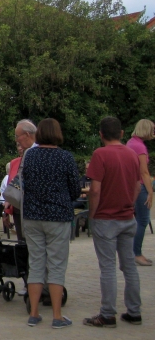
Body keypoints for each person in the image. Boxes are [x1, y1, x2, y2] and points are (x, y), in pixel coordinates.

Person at [21, 119, 81, 328]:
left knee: (36, 264)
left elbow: (23, 183)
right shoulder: (65, 157)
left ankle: (34, 313)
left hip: (33, 215)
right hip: (58, 216)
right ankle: (57, 315)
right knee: (56, 265)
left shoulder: (30, 157)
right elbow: (75, 188)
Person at [83, 117, 142, 328]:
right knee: (129, 267)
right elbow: (137, 185)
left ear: (101, 135)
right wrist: (129, 205)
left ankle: (108, 313)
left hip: (106, 218)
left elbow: (96, 190)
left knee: (107, 268)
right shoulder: (132, 155)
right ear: (122, 133)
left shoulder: (100, 155)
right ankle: (134, 311)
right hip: (127, 217)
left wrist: (93, 214)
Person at [4, 120, 38, 241]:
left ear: (27, 135)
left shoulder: (36, 153)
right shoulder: (16, 161)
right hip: (19, 207)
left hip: (34, 210)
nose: (16, 140)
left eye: (17, 136)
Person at [127, 119, 154, 266]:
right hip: (140, 186)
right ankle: (136, 253)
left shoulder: (131, 143)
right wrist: (151, 192)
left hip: (131, 185)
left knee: (136, 220)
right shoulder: (140, 147)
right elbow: (144, 171)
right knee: (143, 220)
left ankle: (132, 252)